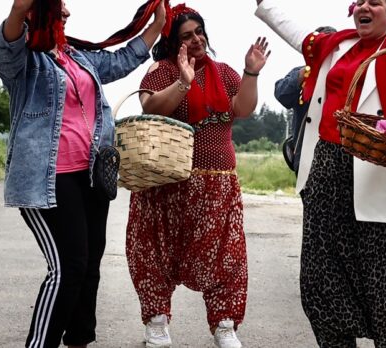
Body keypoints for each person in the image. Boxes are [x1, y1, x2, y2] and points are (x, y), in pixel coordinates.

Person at [255, 0, 386, 347]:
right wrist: (264, 3)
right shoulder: (337, 44)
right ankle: (337, 340)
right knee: (321, 268)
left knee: (385, 273)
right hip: (327, 167)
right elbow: (293, 30)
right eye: (360, 1)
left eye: (375, 3)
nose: (364, 6)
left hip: (377, 170)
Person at [0, 0, 165, 347]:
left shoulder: (79, 56)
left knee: (88, 268)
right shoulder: (25, 61)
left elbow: (121, 60)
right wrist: (17, 11)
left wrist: (156, 25)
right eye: (59, 7)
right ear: (36, 13)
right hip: (48, 180)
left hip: (90, 177)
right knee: (68, 268)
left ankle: (79, 341)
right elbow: (6, 44)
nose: (67, 13)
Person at [124, 3, 269, 348]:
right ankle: (157, 321)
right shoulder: (162, 70)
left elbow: (243, 109)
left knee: (227, 255)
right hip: (167, 182)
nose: (196, 39)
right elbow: (149, 106)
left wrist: (251, 73)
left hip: (218, 183)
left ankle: (224, 324)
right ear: (174, 42)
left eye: (199, 32)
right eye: (186, 36)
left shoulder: (224, 72)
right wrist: (183, 83)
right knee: (154, 250)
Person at [274, 26, 336, 174]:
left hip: (338, 158)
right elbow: (282, 95)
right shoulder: (301, 72)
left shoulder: (345, 75)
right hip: (305, 158)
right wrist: (304, 73)